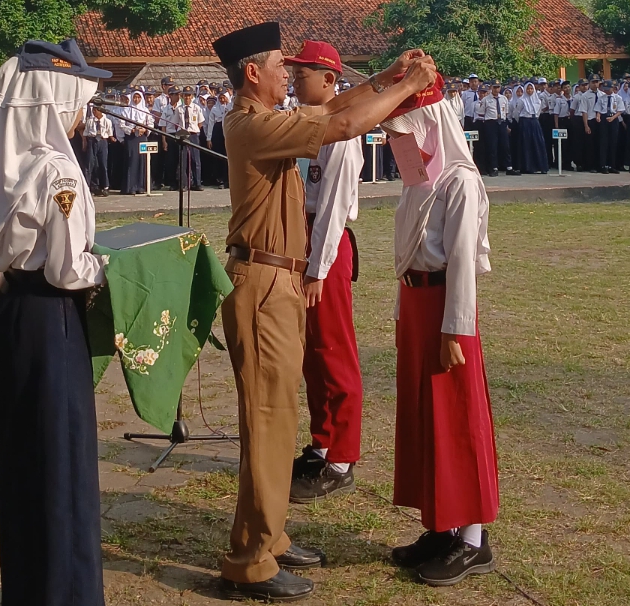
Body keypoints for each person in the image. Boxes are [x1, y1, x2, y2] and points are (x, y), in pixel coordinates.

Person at [212, 21, 437, 602]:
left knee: (279, 419)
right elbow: (341, 125)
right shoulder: (252, 123)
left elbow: (334, 106)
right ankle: (250, 560)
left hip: (276, 280)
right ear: (252, 73)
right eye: (279, 67)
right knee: (267, 422)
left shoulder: (265, 119)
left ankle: (268, 535)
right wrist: (407, 85)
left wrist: (387, 78)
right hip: (263, 282)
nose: (288, 76)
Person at [0, 38, 111, 606]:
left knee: (25, 459)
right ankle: (67, 591)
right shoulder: (58, 171)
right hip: (52, 320)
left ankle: (30, 588)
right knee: (62, 461)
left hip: (10, 312)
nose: (82, 114)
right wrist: (114, 266)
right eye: (78, 101)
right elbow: (70, 269)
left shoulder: (6, 162)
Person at [380, 73, 498, 588]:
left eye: (405, 133)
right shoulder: (419, 184)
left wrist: (456, 330)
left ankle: (471, 539)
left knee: (456, 416)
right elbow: (408, 254)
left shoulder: (459, 182)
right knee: (424, 416)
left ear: (429, 125)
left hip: (447, 309)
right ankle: (440, 524)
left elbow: (462, 263)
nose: (399, 145)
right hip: (417, 303)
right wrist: (402, 312)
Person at [284, 40, 364, 504]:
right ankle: (322, 442)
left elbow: (333, 209)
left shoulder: (341, 137)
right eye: (294, 74)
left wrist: (318, 269)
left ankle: (342, 458)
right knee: (312, 353)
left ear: (329, 80)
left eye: (303, 75)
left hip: (326, 248)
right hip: (305, 239)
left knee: (334, 351)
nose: (295, 81)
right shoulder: (307, 126)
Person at [480, 79, 518, 176]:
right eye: (494, 87)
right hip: (491, 123)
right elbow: (481, 113)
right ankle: (494, 168)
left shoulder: (503, 98)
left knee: (505, 145)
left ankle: (509, 167)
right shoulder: (486, 99)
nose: (496, 89)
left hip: (502, 122)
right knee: (492, 146)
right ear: (491, 88)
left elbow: (506, 112)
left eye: (498, 87)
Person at [120, 88, 150, 195]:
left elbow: (150, 123)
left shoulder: (145, 110)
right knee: (132, 160)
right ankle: (131, 187)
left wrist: (145, 129)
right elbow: (122, 124)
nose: (136, 99)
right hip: (131, 138)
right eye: (135, 97)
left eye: (138, 97)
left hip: (142, 137)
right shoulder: (126, 110)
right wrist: (132, 130)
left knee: (142, 160)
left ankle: (141, 186)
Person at [517, 82, 548, 174]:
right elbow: (516, 113)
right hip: (525, 122)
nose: (530, 90)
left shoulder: (537, 100)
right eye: (528, 89)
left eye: (531, 89)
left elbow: (538, 112)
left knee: (538, 143)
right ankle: (528, 167)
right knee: (526, 144)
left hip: (534, 122)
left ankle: (541, 167)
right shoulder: (521, 100)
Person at [596, 79, 624, 173]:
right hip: (604, 118)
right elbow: (598, 109)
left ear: (613, 88)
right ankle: (603, 165)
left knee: (613, 142)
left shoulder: (617, 98)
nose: (607, 91)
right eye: (605, 89)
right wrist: (598, 116)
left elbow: (620, 110)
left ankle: (612, 165)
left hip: (613, 118)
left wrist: (613, 118)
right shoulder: (601, 98)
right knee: (604, 143)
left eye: (608, 89)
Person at [83, 105, 112, 196]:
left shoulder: (107, 121)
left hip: (102, 142)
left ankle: (105, 186)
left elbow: (109, 133)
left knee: (103, 164)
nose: (94, 112)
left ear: (100, 111)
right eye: (93, 110)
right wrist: (85, 143)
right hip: (92, 141)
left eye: (96, 110)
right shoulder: (90, 121)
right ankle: (88, 186)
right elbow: (86, 133)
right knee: (90, 164)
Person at [580, 75, 603, 172]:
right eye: (593, 82)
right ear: (589, 83)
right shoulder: (585, 96)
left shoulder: (602, 95)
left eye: (597, 82)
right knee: (590, 145)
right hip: (590, 120)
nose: (595, 84)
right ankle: (590, 165)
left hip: (600, 121)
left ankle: (600, 165)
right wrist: (586, 125)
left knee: (600, 144)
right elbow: (584, 111)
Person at [554, 80, 573, 171]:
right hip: (562, 121)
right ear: (562, 89)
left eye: (568, 87)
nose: (567, 89)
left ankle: (569, 162)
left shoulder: (573, 99)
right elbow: (556, 113)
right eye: (565, 87)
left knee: (571, 143)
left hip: (571, 121)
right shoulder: (559, 100)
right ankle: (561, 162)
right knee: (563, 143)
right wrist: (556, 125)